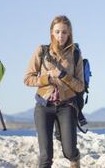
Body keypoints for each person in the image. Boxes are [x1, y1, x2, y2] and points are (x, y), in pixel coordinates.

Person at [24, 15, 83, 168]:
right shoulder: (42, 51)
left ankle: (75, 160)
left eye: (64, 32)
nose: (60, 36)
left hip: (67, 106)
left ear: (69, 33)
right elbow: (28, 79)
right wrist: (47, 78)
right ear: (51, 32)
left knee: (69, 151)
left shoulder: (75, 54)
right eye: (57, 32)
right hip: (44, 107)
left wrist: (63, 76)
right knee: (45, 156)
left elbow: (80, 86)